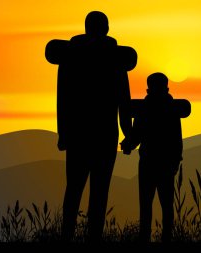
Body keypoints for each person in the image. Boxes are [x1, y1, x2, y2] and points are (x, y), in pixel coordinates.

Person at [54, 11, 133, 241]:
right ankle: (93, 239)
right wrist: (127, 133)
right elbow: (124, 101)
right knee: (99, 193)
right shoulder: (115, 59)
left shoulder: (71, 57)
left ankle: (67, 236)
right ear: (106, 28)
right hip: (105, 135)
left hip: (78, 134)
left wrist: (63, 133)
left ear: (87, 27)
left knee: (73, 190)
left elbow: (63, 99)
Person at [121, 73, 183, 242]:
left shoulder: (144, 109)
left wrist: (128, 144)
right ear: (167, 88)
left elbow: (137, 135)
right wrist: (176, 160)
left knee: (147, 206)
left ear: (149, 88)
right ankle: (166, 239)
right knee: (166, 207)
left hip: (149, 162)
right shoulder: (172, 109)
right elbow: (177, 139)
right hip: (165, 163)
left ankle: (145, 239)